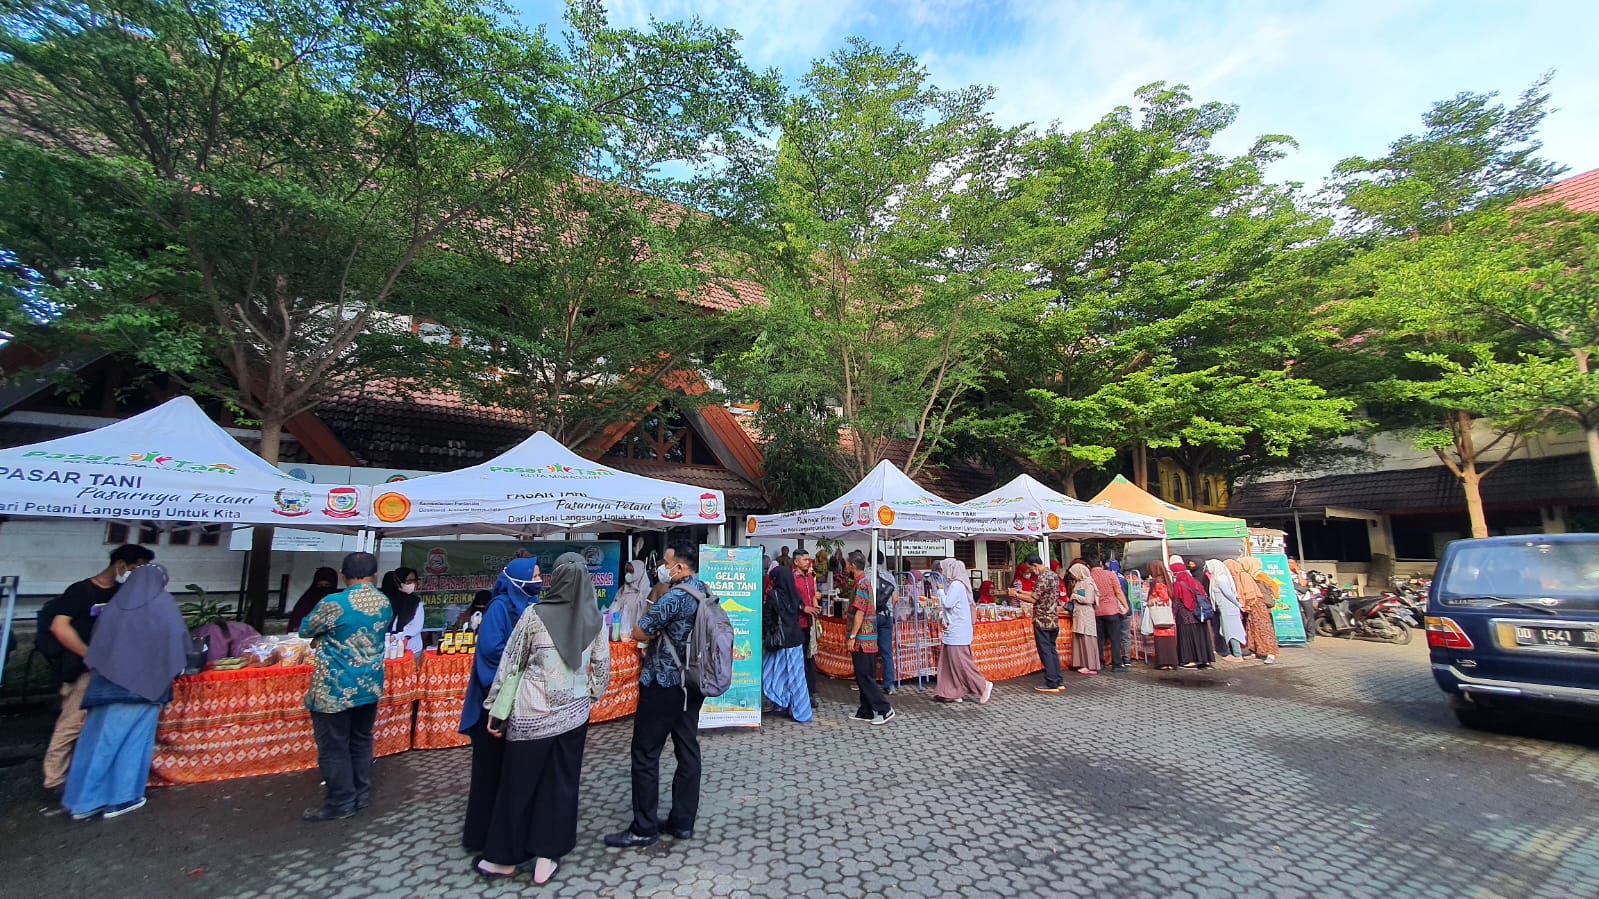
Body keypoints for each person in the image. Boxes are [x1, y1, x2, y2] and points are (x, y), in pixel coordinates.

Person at [476, 553, 610, 884]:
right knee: (560, 786)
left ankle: (503, 859)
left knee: (517, 786)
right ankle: (545, 860)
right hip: (574, 718)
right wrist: (588, 695)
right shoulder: (595, 619)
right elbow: (603, 668)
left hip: (530, 715)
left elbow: (511, 663)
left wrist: (496, 707)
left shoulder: (534, 615)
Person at [60, 562, 187, 820]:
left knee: (95, 743)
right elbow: (179, 646)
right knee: (132, 743)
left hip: (105, 686)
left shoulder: (114, 606)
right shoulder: (162, 605)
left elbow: (96, 646)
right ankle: (121, 799)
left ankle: (82, 802)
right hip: (143, 689)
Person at [607, 544, 708, 848]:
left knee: (645, 754)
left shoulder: (675, 597)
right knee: (687, 750)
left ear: (680, 567)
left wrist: (653, 609)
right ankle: (682, 822)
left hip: (663, 684)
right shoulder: (703, 591)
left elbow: (640, 631)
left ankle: (644, 827)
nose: (662, 569)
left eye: (667, 564)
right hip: (691, 684)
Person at [40, 544, 154, 792]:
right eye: (137, 567)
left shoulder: (123, 593)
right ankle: (55, 779)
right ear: (121, 565)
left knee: (101, 725)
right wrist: (89, 655)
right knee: (71, 724)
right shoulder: (80, 591)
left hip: (113, 670)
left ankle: (87, 777)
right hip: (82, 669)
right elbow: (60, 627)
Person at [299, 551, 390, 822]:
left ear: (343, 574)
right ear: (375, 574)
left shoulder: (334, 603)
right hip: (369, 685)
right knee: (361, 740)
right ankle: (361, 794)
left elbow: (306, 629)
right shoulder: (384, 601)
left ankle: (341, 802)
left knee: (334, 747)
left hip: (334, 689)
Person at [460, 557, 541, 854]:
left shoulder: (527, 606)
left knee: (507, 770)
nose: (538, 579)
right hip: (492, 700)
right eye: (533, 575)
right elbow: (492, 651)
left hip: (515, 699)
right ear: (518, 580)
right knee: (487, 773)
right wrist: (524, 660)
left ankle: (503, 830)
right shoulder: (500, 607)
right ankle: (480, 837)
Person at [844, 550, 894, 725]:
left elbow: (860, 612)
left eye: (847, 563)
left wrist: (852, 636)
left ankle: (884, 708)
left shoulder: (862, 584)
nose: (845, 565)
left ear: (852, 565)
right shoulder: (860, 582)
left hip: (863, 639)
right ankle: (865, 710)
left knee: (865, 676)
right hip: (866, 637)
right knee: (862, 675)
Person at [934, 559, 994, 704]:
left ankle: (983, 685)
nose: (942, 572)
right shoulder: (957, 585)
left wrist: (940, 590)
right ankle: (952, 691)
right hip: (953, 630)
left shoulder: (956, 585)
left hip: (957, 632)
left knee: (961, 662)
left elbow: (948, 603)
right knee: (948, 663)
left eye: (944, 569)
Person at [760, 559, 813, 723]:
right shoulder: (794, 593)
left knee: (770, 673)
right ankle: (801, 710)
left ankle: (781, 701)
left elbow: (768, 619)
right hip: (795, 640)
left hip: (780, 643)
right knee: (797, 678)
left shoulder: (774, 595)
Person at [1024, 554, 1066, 693]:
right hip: (1053, 618)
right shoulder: (1053, 575)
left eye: (1030, 568)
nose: (1030, 571)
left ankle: (1051, 682)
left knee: (1045, 651)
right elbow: (1038, 594)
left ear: (1035, 565)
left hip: (1043, 619)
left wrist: (1015, 595)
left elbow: (1034, 599)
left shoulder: (1042, 578)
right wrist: (1021, 592)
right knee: (1052, 650)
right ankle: (1058, 680)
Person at [1171, 562, 1215, 669]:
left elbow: (1176, 602)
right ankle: (1204, 659)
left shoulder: (1178, 584)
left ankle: (1189, 660)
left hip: (1185, 616)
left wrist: (1172, 614)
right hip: (1199, 615)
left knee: (1187, 638)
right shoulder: (1195, 582)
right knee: (1201, 637)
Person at [1239, 556, 1281, 664]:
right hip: (1253, 605)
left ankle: (1271, 653)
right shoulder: (1249, 575)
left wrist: (1275, 596)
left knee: (1264, 628)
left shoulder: (1260, 575)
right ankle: (1255, 651)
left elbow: (1274, 585)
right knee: (1252, 628)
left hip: (1262, 606)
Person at [1091, 558, 1131, 672]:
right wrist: (1125, 606)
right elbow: (1118, 592)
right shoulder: (1110, 575)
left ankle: (1101, 663)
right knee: (1115, 638)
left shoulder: (1089, 577)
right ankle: (1116, 664)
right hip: (1111, 611)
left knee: (1099, 639)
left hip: (1097, 611)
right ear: (1100, 564)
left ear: (1089, 566)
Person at [792, 550, 822, 700]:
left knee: (810, 657)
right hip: (797, 624)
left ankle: (810, 693)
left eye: (808, 559)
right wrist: (803, 608)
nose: (808, 562)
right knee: (799, 659)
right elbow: (790, 599)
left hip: (809, 624)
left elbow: (812, 597)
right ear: (796, 562)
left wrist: (816, 603)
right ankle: (800, 693)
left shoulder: (810, 578)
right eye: (804, 560)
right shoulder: (792, 579)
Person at [1206, 560, 1246, 661]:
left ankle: (1237, 655)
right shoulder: (1218, 578)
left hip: (1229, 609)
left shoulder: (1220, 579)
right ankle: (1235, 653)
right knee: (1228, 631)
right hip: (1225, 609)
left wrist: (1238, 604)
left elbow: (1228, 594)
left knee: (1232, 631)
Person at [1066, 562, 1101, 675]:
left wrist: (1074, 596)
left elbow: (1089, 599)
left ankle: (1091, 665)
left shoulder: (1088, 583)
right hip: (1079, 614)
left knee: (1088, 639)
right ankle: (1083, 663)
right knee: (1080, 638)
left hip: (1086, 615)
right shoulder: (1079, 583)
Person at [381, 567, 424, 656]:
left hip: (411, 650)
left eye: (414, 581)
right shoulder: (384, 601)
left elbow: (416, 627)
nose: (412, 584)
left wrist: (398, 637)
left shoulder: (415, 602)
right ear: (398, 582)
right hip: (386, 650)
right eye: (408, 581)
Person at [1145, 560, 1180, 670]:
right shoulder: (1166, 580)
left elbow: (1163, 597)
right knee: (1169, 640)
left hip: (1159, 615)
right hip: (1167, 615)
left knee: (1161, 640)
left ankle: (1164, 662)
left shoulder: (1157, 582)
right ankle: (1171, 661)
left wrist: (1151, 601)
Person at [288, 567, 340, 632]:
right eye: (320, 585)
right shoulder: (305, 602)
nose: (323, 589)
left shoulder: (339, 601)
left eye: (327, 585)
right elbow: (295, 626)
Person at [874, 552, 897, 693]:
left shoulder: (865, 572)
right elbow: (895, 599)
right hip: (887, 616)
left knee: (868, 650)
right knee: (886, 652)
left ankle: (868, 683)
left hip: (871, 616)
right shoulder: (890, 575)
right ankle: (889, 685)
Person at [612, 558, 650, 638]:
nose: (628, 574)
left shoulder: (647, 592)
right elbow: (614, 608)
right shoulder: (622, 590)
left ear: (639, 573)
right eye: (627, 571)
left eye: (631, 572)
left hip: (638, 635)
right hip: (621, 634)